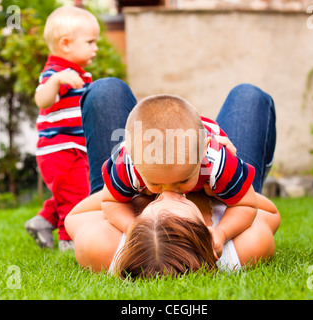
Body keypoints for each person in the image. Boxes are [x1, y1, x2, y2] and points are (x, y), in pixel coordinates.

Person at [82, 81, 275, 257]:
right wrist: (132, 228)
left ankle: (233, 181)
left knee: (249, 94)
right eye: (156, 183)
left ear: (203, 154)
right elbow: (110, 201)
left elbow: (247, 204)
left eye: (182, 181)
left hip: (212, 161)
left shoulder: (217, 162)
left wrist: (222, 232)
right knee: (105, 88)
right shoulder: (127, 163)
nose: (169, 192)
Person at [65, 189, 280, 279]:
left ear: (139, 221)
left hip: (130, 188)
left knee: (107, 91)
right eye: (182, 200)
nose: (167, 192)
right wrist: (221, 188)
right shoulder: (240, 250)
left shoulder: (103, 245)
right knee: (249, 95)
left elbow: (75, 216)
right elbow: (271, 212)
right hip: (232, 191)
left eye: (156, 201)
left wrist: (131, 187)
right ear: (205, 229)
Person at [24, 6, 100, 251]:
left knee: (71, 192)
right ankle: (70, 242)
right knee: (76, 196)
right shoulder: (56, 73)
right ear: (66, 44)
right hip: (61, 150)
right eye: (90, 42)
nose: (95, 48)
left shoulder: (75, 73)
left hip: (72, 148)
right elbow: (42, 100)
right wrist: (55, 81)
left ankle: (43, 220)